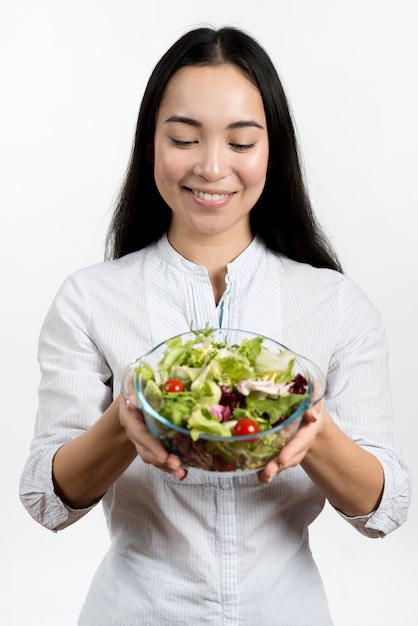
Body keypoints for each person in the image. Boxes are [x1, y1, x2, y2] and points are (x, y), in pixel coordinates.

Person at [20, 25, 411, 626]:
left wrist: (314, 431)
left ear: (271, 151)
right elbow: (47, 503)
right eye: (183, 137)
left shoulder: (334, 303)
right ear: (150, 145)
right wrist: (125, 422)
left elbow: (384, 510)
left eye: (241, 142)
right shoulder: (90, 299)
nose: (211, 166)